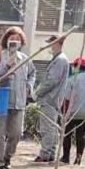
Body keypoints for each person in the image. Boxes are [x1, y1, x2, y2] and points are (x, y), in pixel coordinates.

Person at [0, 26, 33, 169]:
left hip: (19, 101)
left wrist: (29, 86)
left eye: (17, 39)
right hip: (2, 100)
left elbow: (32, 74)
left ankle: (7, 158)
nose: (14, 41)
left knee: (16, 134)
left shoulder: (25, 59)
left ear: (21, 42)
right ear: (6, 41)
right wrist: (6, 66)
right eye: (11, 39)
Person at [32, 34, 68, 162]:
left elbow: (51, 81)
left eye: (50, 43)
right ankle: (50, 152)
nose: (48, 46)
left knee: (47, 127)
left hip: (50, 99)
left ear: (57, 43)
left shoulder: (60, 60)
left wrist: (37, 93)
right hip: (53, 99)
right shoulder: (58, 59)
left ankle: (45, 154)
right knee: (51, 127)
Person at [60, 57, 85, 165]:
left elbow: (66, 99)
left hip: (73, 112)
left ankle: (66, 157)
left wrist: (64, 113)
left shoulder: (72, 79)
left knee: (67, 134)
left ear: (76, 66)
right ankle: (79, 157)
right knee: (81, 134)